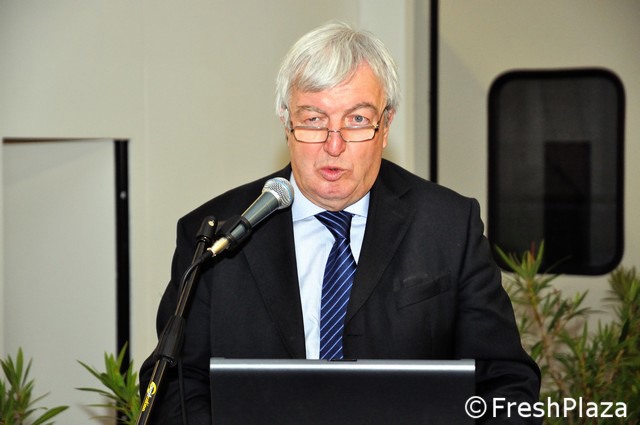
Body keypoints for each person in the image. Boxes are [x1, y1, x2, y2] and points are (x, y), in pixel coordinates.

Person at [140, 21, 541, 424]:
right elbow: (175, 387)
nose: (334, 145)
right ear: (286, 123)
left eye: (357, 120)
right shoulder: (217, 236)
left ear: (386, 125)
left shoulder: (448, 226)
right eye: (314, 120)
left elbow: (507, 383)